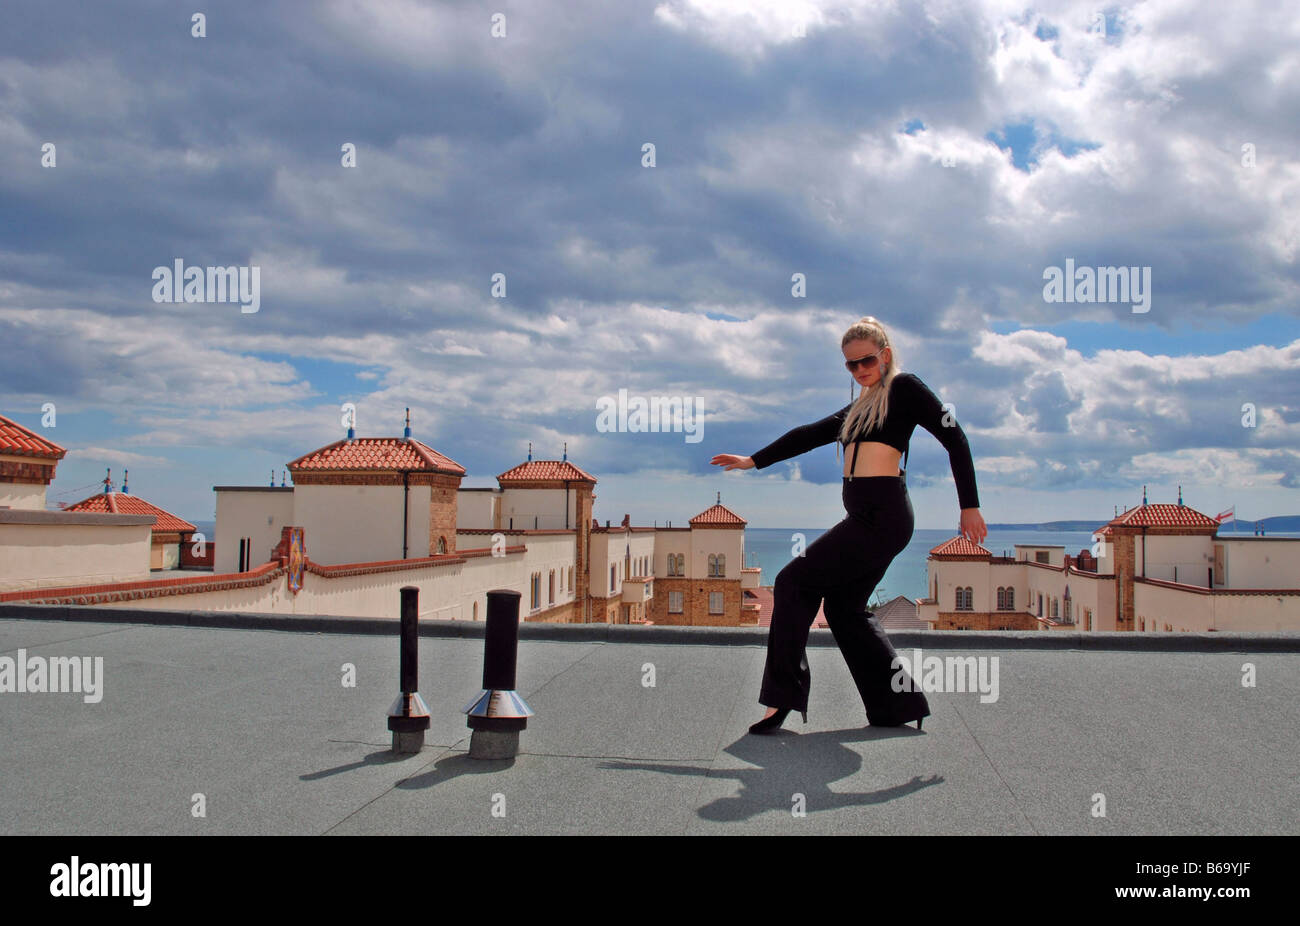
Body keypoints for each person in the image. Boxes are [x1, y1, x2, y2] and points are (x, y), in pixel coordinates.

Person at [710, 316, 987, 735]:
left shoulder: (905, 389)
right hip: (865, 519)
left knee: (791, 581)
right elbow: (808, 433)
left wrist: (970, 506)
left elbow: (956, 437)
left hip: (884, 518)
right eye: (851, 365)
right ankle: (898, 704)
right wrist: (753, 460)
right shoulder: (860, 407)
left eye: (867, 361)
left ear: (886, 355)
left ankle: (780, 700)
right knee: (844, 609)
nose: (860, 371)